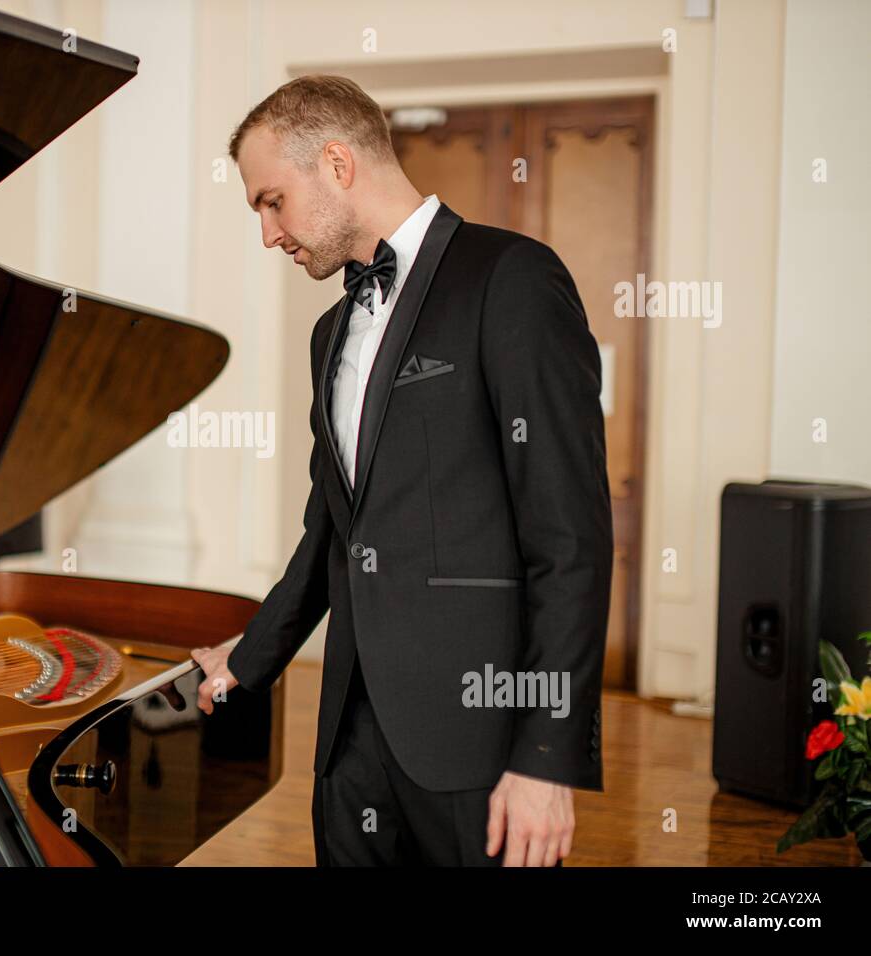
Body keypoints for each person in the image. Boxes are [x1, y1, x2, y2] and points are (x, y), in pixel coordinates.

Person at [191, 75, 613, 867]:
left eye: (272, 200)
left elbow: (571, 540)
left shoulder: (512, 279)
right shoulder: (329, 334)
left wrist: (546, 759)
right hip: (351, 738)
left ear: (339, 165)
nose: (268, 233)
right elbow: (330, 532)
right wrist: (251, 657)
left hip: (479, 743)